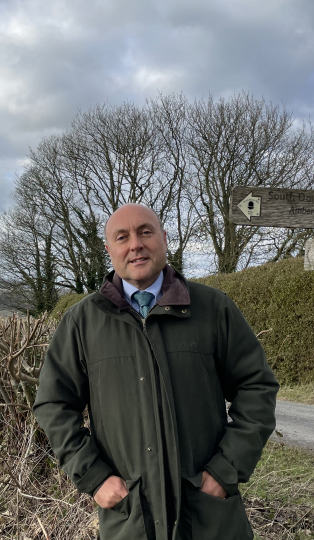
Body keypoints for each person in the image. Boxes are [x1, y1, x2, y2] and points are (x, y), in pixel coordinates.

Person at [33, 203, 278, 540]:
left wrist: (226, 470)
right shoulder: (81, 323)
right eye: (122, 237)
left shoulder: (212, 308)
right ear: (109, 250)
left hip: (208, 516)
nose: (135, 244)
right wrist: (93, 477)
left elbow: (256, 386)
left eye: (145, 232)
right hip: (130, 518)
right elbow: (53, 404)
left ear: (163, 238)